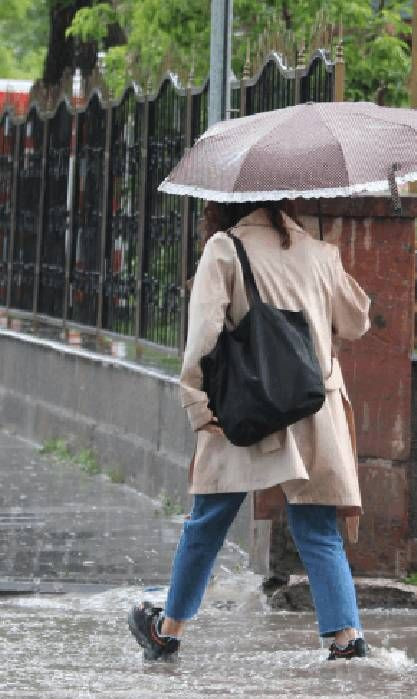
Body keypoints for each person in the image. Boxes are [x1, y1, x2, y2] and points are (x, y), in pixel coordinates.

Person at [128, 200, 371, 662]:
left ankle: (168, 630)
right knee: (317, 528)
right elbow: (357, 323)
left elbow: (203, 335)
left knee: (208, 520)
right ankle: (346, 641)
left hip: (248, 406)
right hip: (313, 407)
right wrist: (321, 256)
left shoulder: (225, 249)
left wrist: (196, 403)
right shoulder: (320, 253)